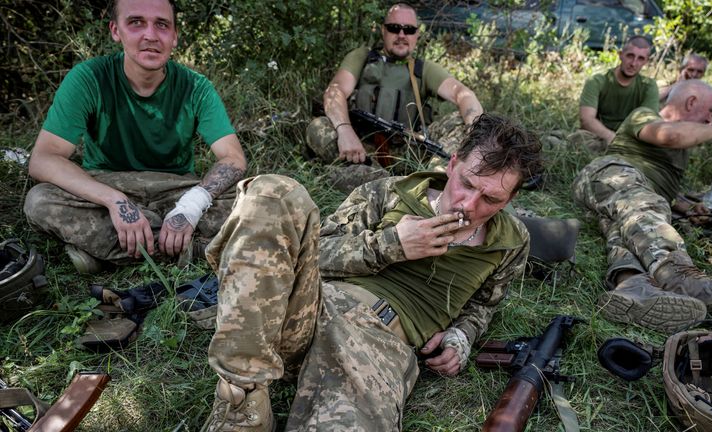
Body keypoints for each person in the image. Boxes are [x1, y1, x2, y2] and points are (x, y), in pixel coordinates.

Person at [202, 113, 541, 431]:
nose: (468, 204)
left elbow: (484, 305)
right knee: (272, 192)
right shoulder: (391, 193)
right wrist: (391, 244)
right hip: (311, 307)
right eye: (467, 183)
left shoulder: (510, 241)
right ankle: (242, 396)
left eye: (491, 199)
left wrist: (461, 336)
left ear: (508, 201)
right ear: (452, 164)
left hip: (377, 345)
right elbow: (311, 254)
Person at [23, 0, 246, 274]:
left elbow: (233, 158)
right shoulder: (89, 77)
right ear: (116, 31)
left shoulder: (196, 87)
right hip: (106, 186)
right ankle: (197, 249)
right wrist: (115, 201)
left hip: (176, 190)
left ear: (174, 36)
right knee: (40, 200)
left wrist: (192, 205)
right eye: (136, 22)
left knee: (253, 201)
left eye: (162, 25)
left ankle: (106, 250)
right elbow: (44, 158)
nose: (150, 35)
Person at [572, 79, 712, 334]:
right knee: (644, 205)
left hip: (617, 197)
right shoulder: (645, 115)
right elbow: (671, 135)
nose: (710, 118)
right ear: (692, 101)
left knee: (625, 229)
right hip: (610, 174)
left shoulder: (678, 153)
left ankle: (632, 287)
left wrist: (683, 206)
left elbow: (656, 193)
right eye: (710, 110)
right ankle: (677, 274)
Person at [305, 3, 483, 192]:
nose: (401, 35)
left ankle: (433, 177)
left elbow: (463, 94)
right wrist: (345, 131)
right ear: (383, 31)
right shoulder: (363, 57)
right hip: (361, 150)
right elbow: (335, 91)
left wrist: (477, 134)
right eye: (394, 28)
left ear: (417, 34)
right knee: (318, 127)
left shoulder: (424, 69)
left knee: (460, 121)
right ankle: (397, 186)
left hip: (409, 153)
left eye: (409, 30)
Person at [570, 35, 659, 153]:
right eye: (630, 56)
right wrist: (614, 140)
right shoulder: (597, 81)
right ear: (621, 55)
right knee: (580, 142)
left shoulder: (648, 86)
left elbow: (648, 124)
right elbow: (586, 120)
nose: (633, 63)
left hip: (630, 139)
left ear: (646, 61)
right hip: (598, 136)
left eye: (640, 58)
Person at [659, 53, 712, 125]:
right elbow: (655, 96)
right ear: (682, 69)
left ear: (704, 73)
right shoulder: (666, 84)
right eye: (691, 70)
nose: (694, 75)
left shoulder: (703, 90)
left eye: (699, 72)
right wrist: (680, 84)